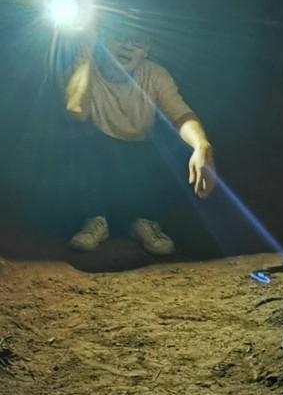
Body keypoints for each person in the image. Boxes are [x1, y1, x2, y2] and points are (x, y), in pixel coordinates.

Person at [63, 16, 215, 255]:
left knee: (183, 141)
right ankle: (94, 219)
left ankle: (144, 220)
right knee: (74, 134)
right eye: (121, 37)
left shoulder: (155, 75)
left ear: (147, 50)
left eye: (138, 41)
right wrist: (86, 55)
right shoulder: (84, 69)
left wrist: (202, 147)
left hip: (137, 164)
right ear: (103, 39)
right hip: (97, 164)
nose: (128, 46)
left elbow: (182, 115)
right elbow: (76, 112)